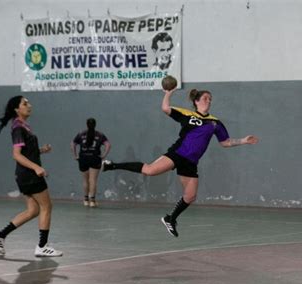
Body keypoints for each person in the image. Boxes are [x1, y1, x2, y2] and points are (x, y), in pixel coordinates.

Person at [103, 88, 259, 237]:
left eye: (210, 99)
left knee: (190, 196)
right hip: (177, 154)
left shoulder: (215, 122)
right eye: (205, 98)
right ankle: (112, 165)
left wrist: (243, 141)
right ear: (197, 101)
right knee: (149, 170)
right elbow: (165, 108)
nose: (208, 101)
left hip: (191, 162)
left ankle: (170, 218)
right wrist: (168, 94)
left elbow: (225, 142)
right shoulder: (187, 114)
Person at [0, 96, 62, 257]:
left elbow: (27, 151)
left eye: (28, 102)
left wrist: (41, 150)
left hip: (24, 175)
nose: (29, 105)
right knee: (46, 207)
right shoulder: (17, 128)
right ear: (17, 109)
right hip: (29, 175)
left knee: (33, 210)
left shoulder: (23, 126)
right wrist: (36, 168)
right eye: (25, 103)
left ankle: (0, 235)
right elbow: (16, 155)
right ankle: (42, 246)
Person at [71, 118, 111, 207]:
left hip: (83, 158)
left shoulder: (81, 134)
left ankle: (85, 200)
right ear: (95, 125)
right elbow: (108, 145)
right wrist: (104, 155)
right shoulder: (100, 135)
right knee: (93, 180)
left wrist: (75, 155)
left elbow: (73, 143)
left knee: (85, 180)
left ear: (87, 124)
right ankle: (92, 201)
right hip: (95, 158)